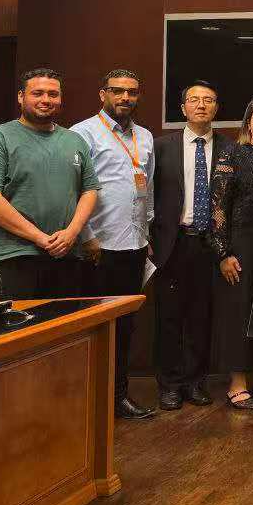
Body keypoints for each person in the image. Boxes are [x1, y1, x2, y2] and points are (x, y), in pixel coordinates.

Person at [72, 69, 156, 420]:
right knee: (95, 327)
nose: (125, 98)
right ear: (102, 93)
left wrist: (146, 234)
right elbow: (74, 189)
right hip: (98, 246)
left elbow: (147, 187)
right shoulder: (82, 133)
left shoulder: (144, 136)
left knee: (125, 326)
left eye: (132, 92)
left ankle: (118, 396)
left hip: (134, 244)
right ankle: (89, 402)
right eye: (118, 91)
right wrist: (87, 236)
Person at [151, 79, 232, 410]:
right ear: (183, 108)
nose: (201, 105)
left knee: (202, 317)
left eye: (208, 100)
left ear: (216, 108)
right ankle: (169, 385)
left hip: (210, 244)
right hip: (172, 243)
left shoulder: (229, 148)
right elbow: (147, 196)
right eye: (194, 100)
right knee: (169, 318)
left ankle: (195, 382)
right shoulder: (161, 147)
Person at [0, 68, 99, 300]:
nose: (46, 100)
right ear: (21, 97)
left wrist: (72, 232)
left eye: (53, 94)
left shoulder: (75, 140)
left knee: (65, 324)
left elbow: (89, 190)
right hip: (12, 257)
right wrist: (41, 238)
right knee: (17, 324)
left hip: (66, 256)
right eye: (37, 93)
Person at [206, 97, 253, 410]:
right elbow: (217, 206)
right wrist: (222, 252)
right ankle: (237, 383)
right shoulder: (232, 153)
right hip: (240, 245)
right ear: (248, 124)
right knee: (239, 313)